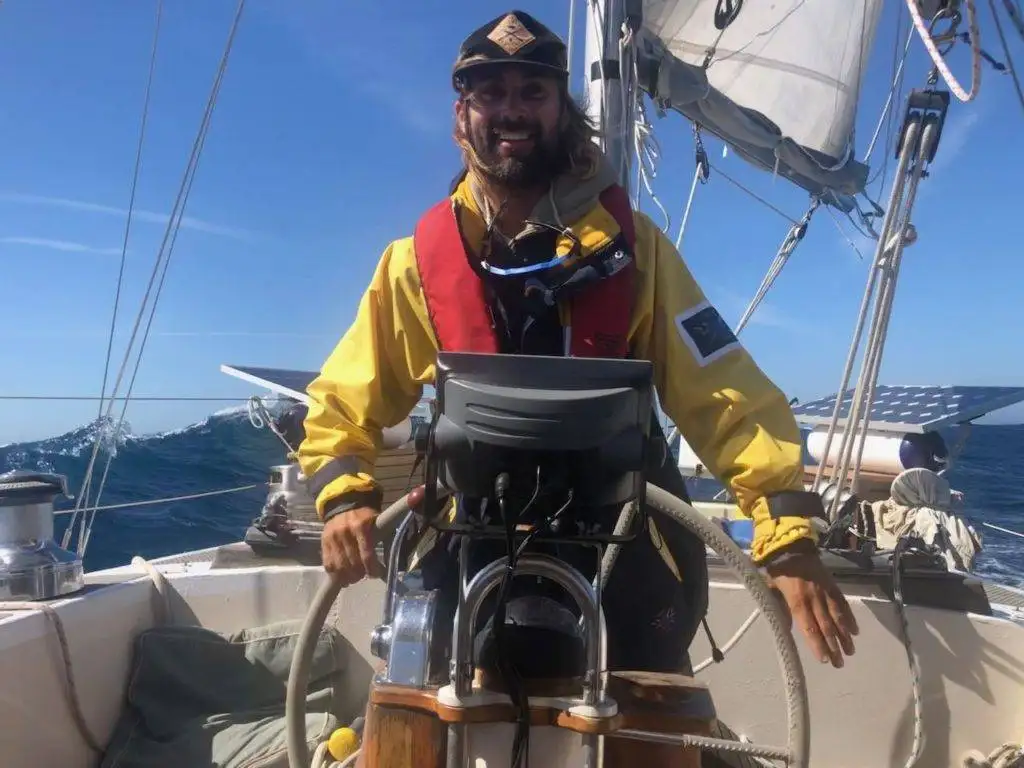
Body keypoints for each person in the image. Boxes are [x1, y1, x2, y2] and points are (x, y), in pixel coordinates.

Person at [298, 10, 858, 765]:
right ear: (461, 115)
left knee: (655, 738)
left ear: (561, 109)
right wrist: (345, 494)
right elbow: (344, 400)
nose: (511, 110)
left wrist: (786, 536)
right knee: (405, 728)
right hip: (466, 542)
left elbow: (722, 391)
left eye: (532, 91)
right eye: (490, 93)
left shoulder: (640, 254)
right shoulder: (413, 265)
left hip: (623, 547)